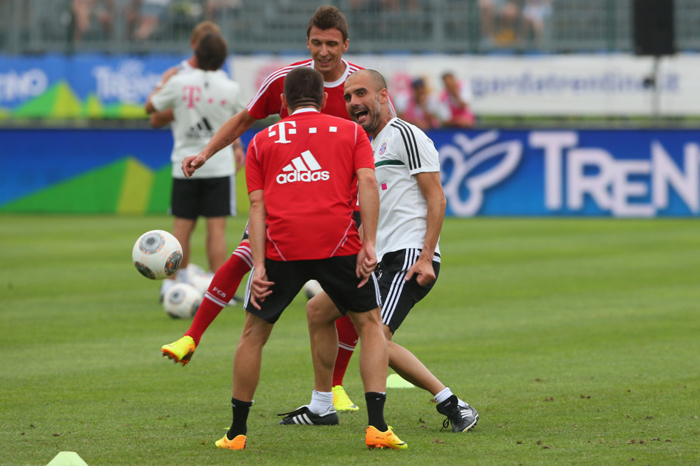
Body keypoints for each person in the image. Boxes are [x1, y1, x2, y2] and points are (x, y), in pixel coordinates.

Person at [161, 6, 368, 414]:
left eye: (331, 44)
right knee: (243, 258)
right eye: (316, 43)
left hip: (344, 209)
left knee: (348, 301)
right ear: (307, 42)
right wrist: (205, 153)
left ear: (345, 45)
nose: (323, 51)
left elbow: (385, 129)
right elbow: (243, 120)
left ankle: (337, 385)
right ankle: (192, 336)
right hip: (287, 204)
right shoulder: (287, 82)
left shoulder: (360, 84)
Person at [215, 66, 406, 451]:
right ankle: (377, 428)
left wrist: (260, 265)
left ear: (283, 103)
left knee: (253, 335)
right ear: (323, 100)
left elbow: (257, 205)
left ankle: (236, 433)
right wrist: (369, 244)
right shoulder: (351, 131)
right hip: (339, 244)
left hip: (282, 247)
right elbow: (368, 183)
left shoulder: (262, 139)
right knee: (370, 325)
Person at [285, 69, 479, 434]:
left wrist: (426, 256)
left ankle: (455, 406)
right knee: (317, 311)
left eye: (361, 93)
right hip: (374, 259)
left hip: (407, 256)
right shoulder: (364, 144)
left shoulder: (405, 135)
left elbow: (436, 197)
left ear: (383, 96)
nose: (354, 102)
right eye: (347, 97)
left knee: (376, 338)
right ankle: (322, 405)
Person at [145, 33, 246, 299]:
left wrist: (161, 83)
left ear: (196, 55)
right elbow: (243, 119)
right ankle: (218, 288)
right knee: (217, 228)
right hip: (218, 164)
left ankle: (174, 283)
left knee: (182, 228)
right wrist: (237, 147)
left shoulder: (178, 82)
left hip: (185, 165)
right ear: (223, 59)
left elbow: (150, 108)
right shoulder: (230, 87)